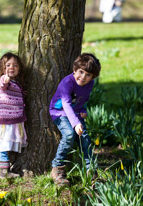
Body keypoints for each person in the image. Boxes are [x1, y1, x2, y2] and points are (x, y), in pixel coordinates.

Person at [49, 53, 101, 186]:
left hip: (76, 113)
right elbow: (66, 104)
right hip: (60, 112)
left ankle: (90, 171)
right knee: (69, 134)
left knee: (85, 139)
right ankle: (58, 168)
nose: (83, 77)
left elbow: (83, 99)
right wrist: (76, 123)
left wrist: (83, 110)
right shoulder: (67, 83)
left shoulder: (90, 84)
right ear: (75, 70)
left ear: (93, 77)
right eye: (81, 72)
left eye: (88, 75)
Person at [0, 52, 27, 179]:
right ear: (2, 69)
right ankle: (4, 172)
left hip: (13, 120)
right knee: (3, 145)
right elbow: (3, 84)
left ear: (19, 69)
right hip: (6, 121)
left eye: (15, 65)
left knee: (0, 144)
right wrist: (5, 78)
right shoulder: (3, 81)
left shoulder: (16, 83)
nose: (11, 68)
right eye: (8, 65)